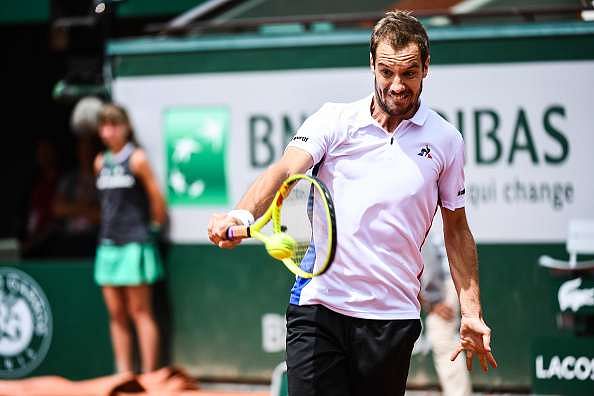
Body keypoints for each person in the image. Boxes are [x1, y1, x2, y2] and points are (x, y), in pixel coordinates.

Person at [208, 10, 497, 396]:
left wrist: (471, 311)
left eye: (409, 73)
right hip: (319, 306)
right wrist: (242, 213)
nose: (397, 85)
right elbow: (284, 171)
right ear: (372, 66)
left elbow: (457, 230)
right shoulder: (333, 120)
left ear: (426, 67)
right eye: (386, 72)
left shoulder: (446, 141)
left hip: (391, 317)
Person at [94, 103, 167, 374]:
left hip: (135, 244)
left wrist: (152, 228)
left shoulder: (137, 159)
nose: (108, 131)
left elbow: (157, 200)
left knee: (140, 313)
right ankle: (123, 374)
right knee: (116, 315)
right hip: (108, 245)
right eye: (104, 126)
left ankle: (149, 378)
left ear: (126, 127)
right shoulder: (100, 162)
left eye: (114, 125)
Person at [421, 220, 472, 396]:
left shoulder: (419, 217)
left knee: (443, 340)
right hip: (449, 279)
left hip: (443, 284)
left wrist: (433, 300)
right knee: (446, 340)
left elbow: (430, 262)